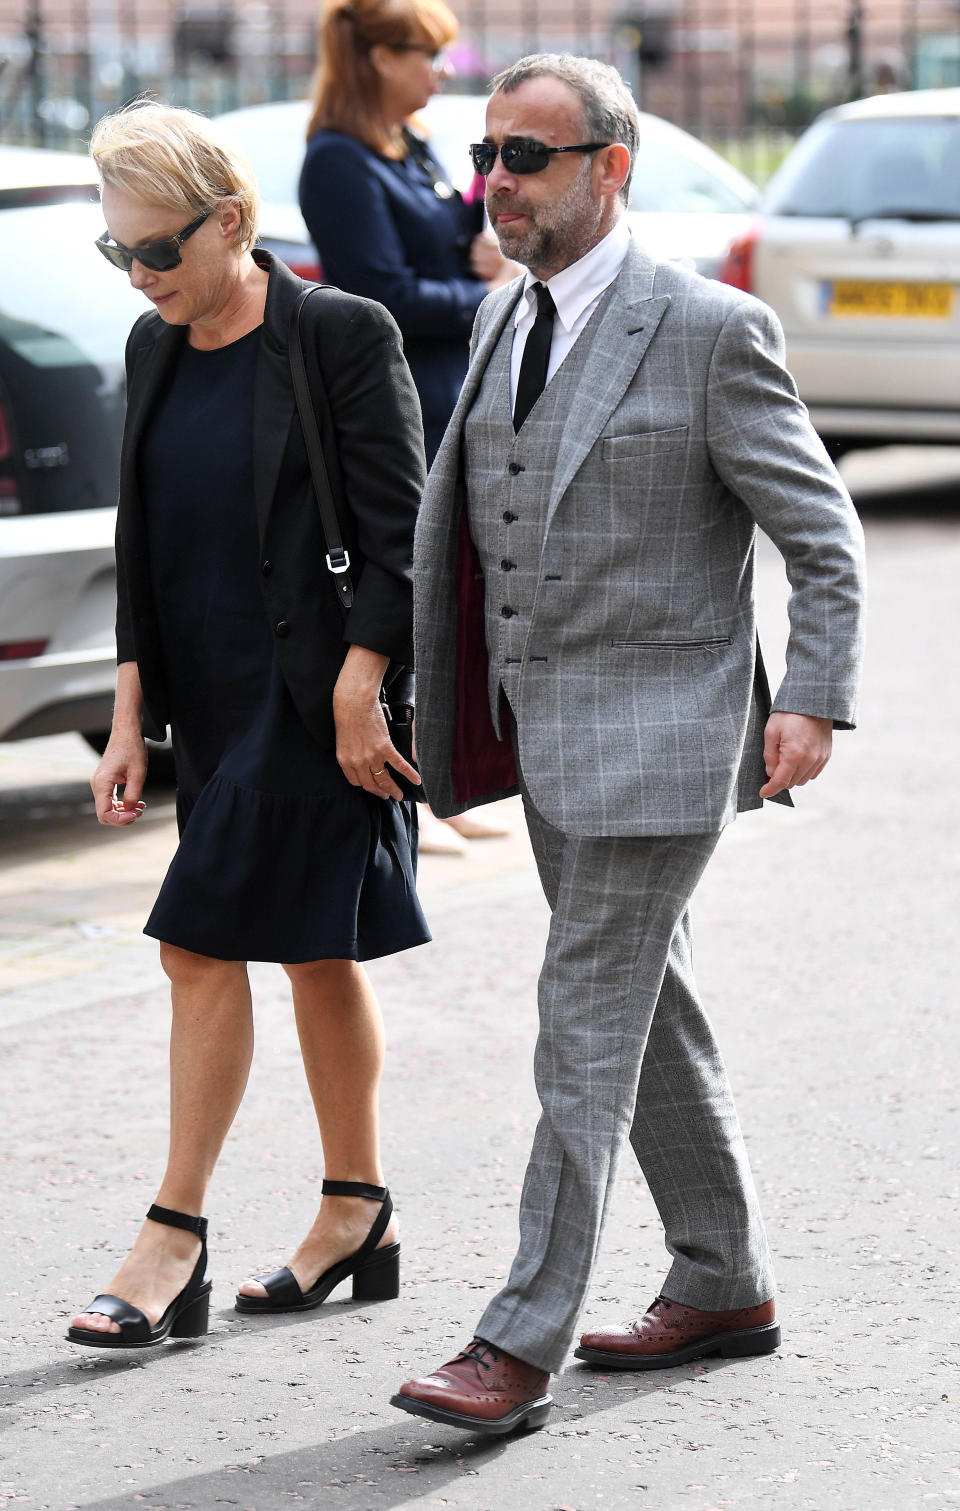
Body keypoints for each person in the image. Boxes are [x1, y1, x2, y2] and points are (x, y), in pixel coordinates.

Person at [392, 54, 866, 1435]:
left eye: (529, 155)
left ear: (613, 165)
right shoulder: (499, 314)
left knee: (582, 1016)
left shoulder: (711, 330)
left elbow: (823, 535)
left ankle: (516, 1336)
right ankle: (724, 1276)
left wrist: (813, 695)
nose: (499, 182)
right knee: (650, 1006)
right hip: (536, 729)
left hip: (665, 738)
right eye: (488, 154)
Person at [67, 101, 430, 1350]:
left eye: (158, 249)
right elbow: (142, 548)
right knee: (314, 952)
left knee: (197, 943)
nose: (141, 274)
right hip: (215, 707)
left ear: (231, 220)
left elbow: (403, 533)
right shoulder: (154, 346)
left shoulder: (336, 334)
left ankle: (173, 1235)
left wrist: (358, 683)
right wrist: (128, 715)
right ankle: (358, 1207)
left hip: (320, 709)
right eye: (121, 254)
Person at [298, 0, 519, 854]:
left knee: (452, 589)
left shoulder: (415, 145)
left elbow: (462, 239)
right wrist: (487, 294)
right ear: (372, 58)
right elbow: (379, 297)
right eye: (422, 55)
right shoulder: (338, 161)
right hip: (397, 405)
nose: (439, 73)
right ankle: (403, 785)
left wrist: (491, 240)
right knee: (407, 586)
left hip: (452, 391)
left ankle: (440, 776)